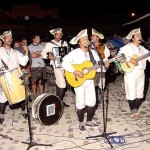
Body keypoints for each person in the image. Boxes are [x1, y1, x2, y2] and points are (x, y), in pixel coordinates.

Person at [61, 29, 99, 131]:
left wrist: (106, 64)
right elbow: (64, 63)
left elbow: (98, 65)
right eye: (83, 39)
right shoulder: (75, 52)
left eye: (87, 38)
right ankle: (81, 122)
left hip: (89, 79)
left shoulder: (93, 52)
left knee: (92, 101)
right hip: (78, 80)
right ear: (79, 42)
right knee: (80, 101)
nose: (86, 40)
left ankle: (89, 122)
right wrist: (74, 71)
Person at [118, 28, 150, 119]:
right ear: (132, 38)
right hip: (131, 72)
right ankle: (133, 112)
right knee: (131, 93)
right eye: (137, 35)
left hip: (141, 72)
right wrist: (129, 59)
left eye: (140, 35)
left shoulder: (143, 49)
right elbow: (119, 56)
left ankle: (135, 110)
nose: (139, 37)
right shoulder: (127, 47)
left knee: (140, 94)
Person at [0, 30, 29, 124]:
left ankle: (24, 112)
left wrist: (26, 52)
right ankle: (1, 115)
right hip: (4, 77)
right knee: (2, 98)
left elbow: (24, 62)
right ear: (3, 39)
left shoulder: (15, 52)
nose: (9, 39)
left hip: (16, 76)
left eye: (10, 38)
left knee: (22, 94)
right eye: (7, 37)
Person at [42, 28, 70, 107]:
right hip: (56, 66)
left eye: (60, 34)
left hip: (65, 65)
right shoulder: (50, 44)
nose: (59, 35)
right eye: (57, 34)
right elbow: (43, 53)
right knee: (62, 84)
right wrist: (49, 56)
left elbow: (68, 53)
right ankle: (60, 103)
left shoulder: (64, 43)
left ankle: (57, 100)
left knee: (59, 82)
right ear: (54, 35)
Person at [90, 28, 110, 105]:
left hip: (101, 70)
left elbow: (106, 58)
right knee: (92, 86)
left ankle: (100, 100)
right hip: (92, 70)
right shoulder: (88, 47)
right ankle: (93, 101)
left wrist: (106, 63)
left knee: (102, 85)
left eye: (93, 36)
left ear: (98, 37)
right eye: (91, 36)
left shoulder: (103, 47)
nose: (92, 37)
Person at [28, 34, 46, 99]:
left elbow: (45, 55)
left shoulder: (42, 46)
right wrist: (40, 53)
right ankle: (35, 96)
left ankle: (42, 95)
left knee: (41, 81)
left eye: (39, 38)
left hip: (42, 65)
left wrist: (37, 53)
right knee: (33, 81)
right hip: (34, 66)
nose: (39, 39)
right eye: (37, 38)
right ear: (33, 39)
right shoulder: (29, 47)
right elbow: (33, 56)